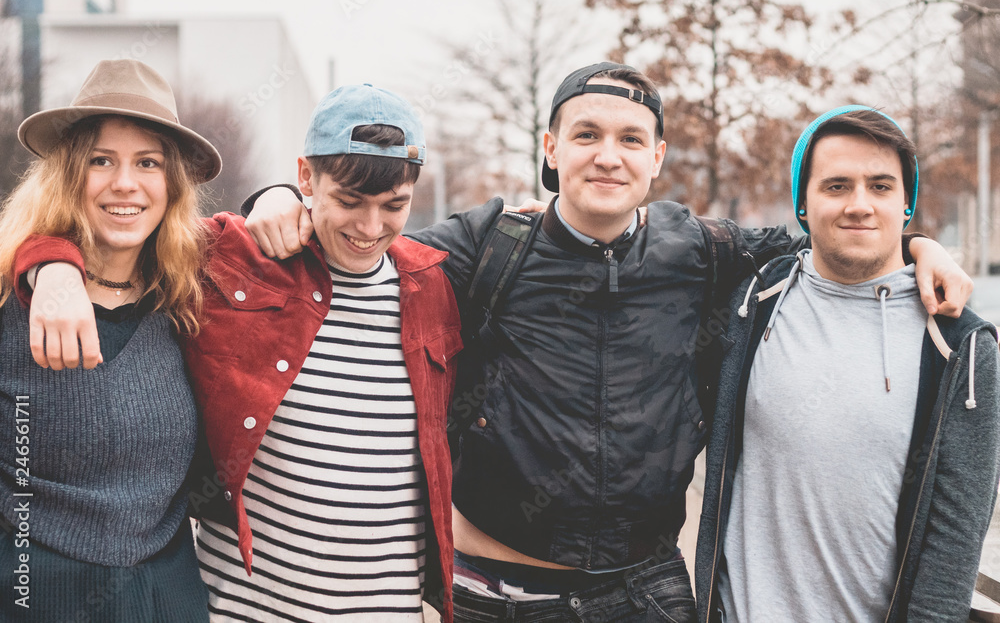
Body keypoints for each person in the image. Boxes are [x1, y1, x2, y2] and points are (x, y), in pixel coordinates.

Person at [242, 63, 973, 622]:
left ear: (657, 157)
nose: (607, 156)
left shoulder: (698, 248)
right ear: (552, 149)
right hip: (497, 592)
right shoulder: (485, 244)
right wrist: (275, 198)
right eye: (586, 135)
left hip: (645, 591)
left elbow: (833, 236)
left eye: (630, 139)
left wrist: (920, 243)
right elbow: (362, 233)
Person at [16, 83, 461, 621]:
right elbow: (127, 231)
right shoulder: (238, 262)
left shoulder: (435, 285)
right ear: (305, 179)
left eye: (395, 206)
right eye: (348, 201)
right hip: (243, 608)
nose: (370, 228)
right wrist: (52, 264)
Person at [694, 106, 1000, 622]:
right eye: (836, 186)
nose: (860, 205)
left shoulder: (957, 345)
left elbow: (954, 544)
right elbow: (639, 242)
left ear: (907, 203)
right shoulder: (753, 302)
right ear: (803, 204)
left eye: (881, 187)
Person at [0, 59, 220, 620]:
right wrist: (46, 266)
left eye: (147, 162)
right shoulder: (10, 299)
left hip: (167, 595)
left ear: (172, 182)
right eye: (102, 161)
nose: (125, 183)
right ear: (71, 175)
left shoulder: (193, 298)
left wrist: (276, 194)